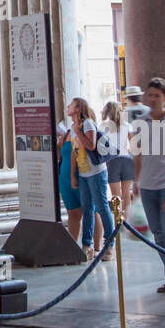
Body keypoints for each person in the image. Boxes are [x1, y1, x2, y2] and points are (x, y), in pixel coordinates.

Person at [130, 76, 165, 292]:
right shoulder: (141, 122)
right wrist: (136, 182)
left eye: (157, 96)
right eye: (150, 95)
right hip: (147, 185)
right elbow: (138, 154)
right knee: (158, 234)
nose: (152, 99)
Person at [68, 97, 114, 260]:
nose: (68, 107)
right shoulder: (73, 127)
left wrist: (79, 131)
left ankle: (109, 246)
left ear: (78, 108)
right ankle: (86, 246)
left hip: (96, 172)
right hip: (83, 173)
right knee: (86, 209)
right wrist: (73, 174)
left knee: (101, 207)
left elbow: (91, 145)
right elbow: (75, 153)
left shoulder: (87, 124)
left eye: (71, 105)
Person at [102, 99, 134, 221]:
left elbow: (102, 146)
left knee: (116, 196)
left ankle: (118, 222)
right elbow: (132, 144)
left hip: (112, 160)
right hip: (127, 159)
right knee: (126, 193)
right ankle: (127, 222)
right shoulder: (127, 125)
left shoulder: (104, 127)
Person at [57, 119, 82, 244]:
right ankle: (73, 245)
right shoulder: (66, 134)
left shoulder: (86, 130)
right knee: (72, 211)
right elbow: (60, 154)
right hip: (64, 177)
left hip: (81, 175)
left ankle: (95, 246)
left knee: (91, 212)